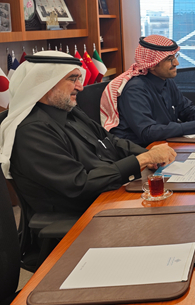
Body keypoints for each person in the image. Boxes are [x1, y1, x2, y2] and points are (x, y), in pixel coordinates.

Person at [0, 51, 176, 215]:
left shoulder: (69, 110)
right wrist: (142, 160)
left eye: (79, 78)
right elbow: (79, 183)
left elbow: (110, 141)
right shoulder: (32, 132)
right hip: (81, 215)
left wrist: (149, 155)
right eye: (73, 79)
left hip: (108, 195)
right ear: (45, 85)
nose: (80, 87)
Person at [101, 35, 195, 147]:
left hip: (164, 144)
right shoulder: (134, 90)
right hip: (142, 151)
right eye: (170, 59)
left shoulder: (166, 80)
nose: (176, 63)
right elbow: (147, 132)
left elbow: (185, 109)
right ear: (152, 65)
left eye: (175, 57)